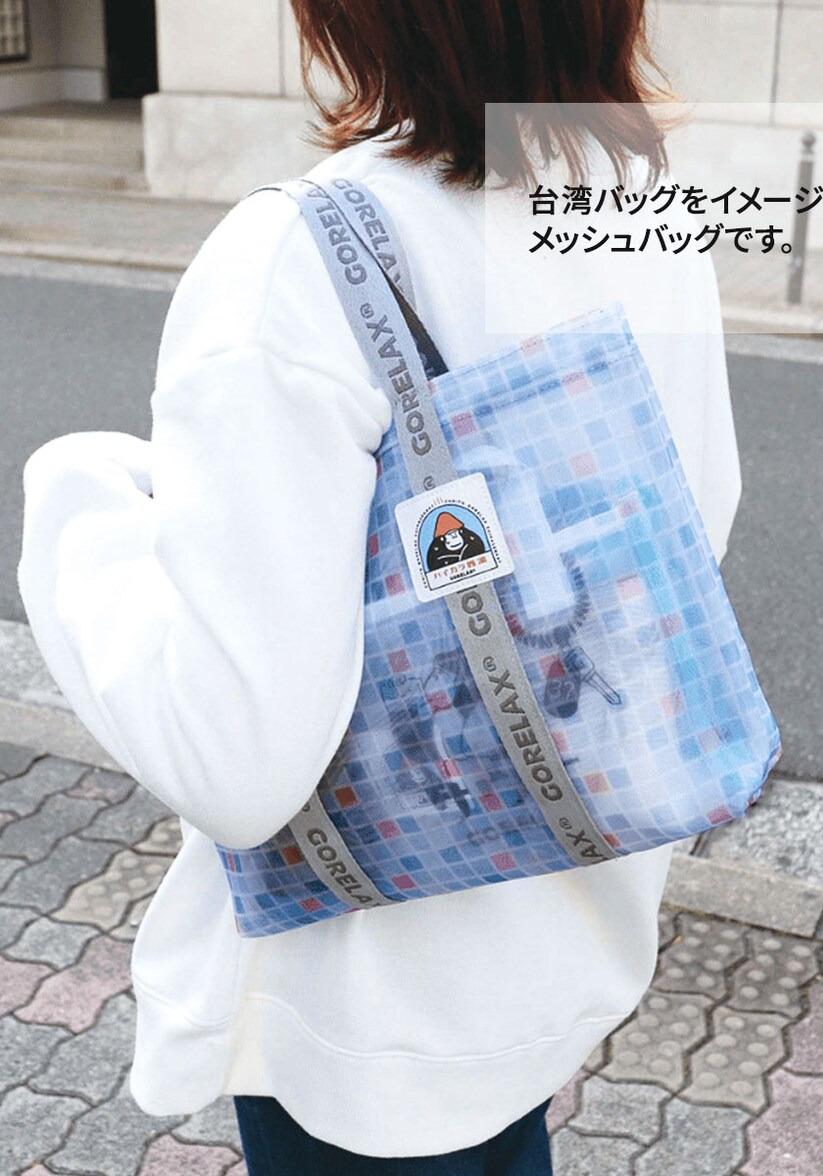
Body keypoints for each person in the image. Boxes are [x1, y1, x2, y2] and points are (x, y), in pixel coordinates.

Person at [17, 2, 742, 1172]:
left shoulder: (298, 259)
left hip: (362, 1004)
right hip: (554, 944)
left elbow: (233, 763)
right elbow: (686, 536)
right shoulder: (640, 205)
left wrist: (79, 514)